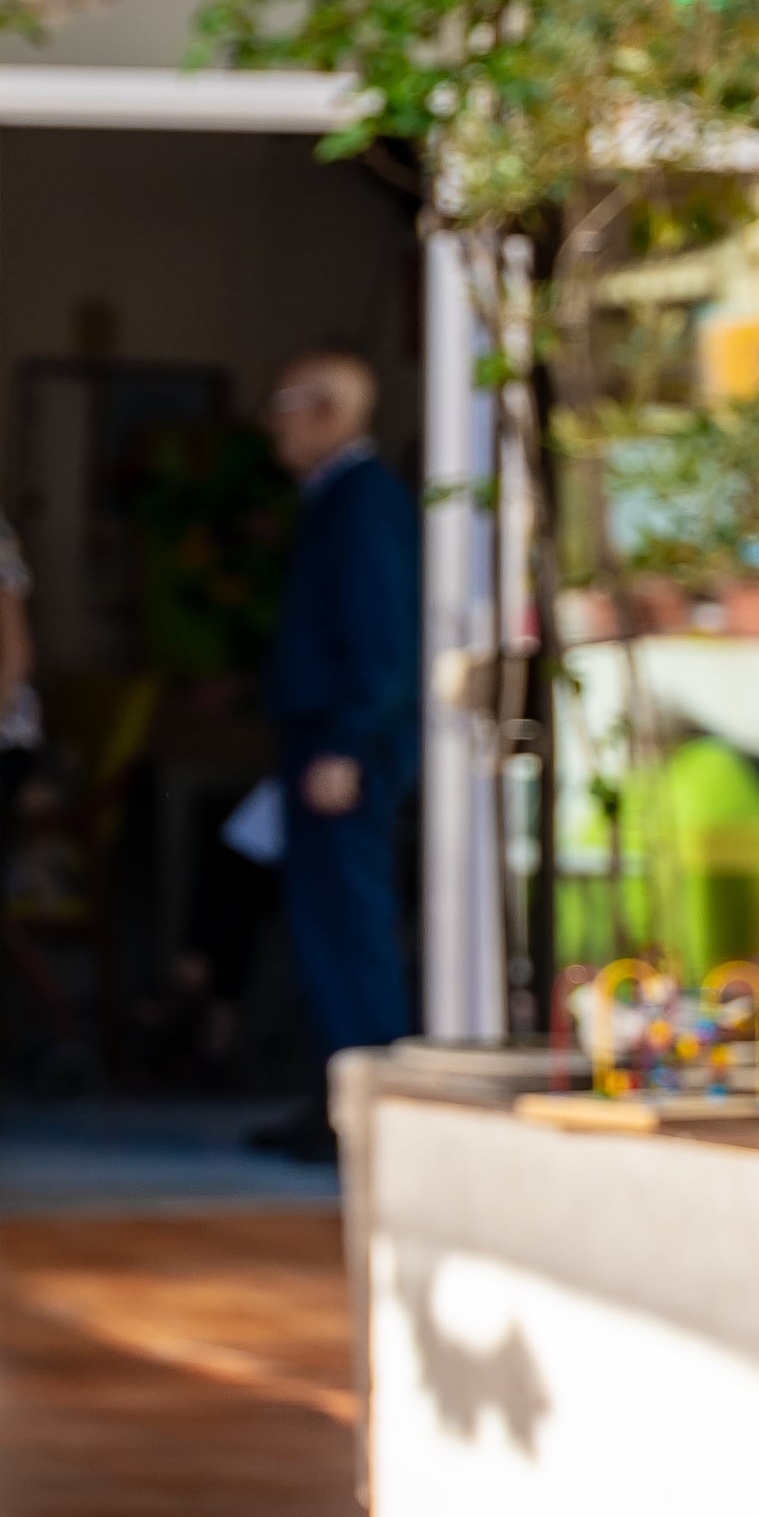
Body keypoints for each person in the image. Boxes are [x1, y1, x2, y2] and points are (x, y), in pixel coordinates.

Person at [256, 346, 418, 1157]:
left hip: (341, 745)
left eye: (283, 404)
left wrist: (348, 742)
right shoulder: (335, 500)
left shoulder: (361, 504)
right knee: (323, 927)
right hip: (324, 738)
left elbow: (382, 644)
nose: (271, 423)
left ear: (328, 411)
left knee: (348, 929)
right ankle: (338, 1104)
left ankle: (370, 1117)